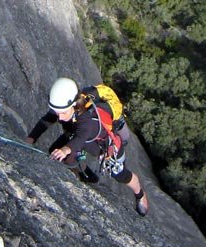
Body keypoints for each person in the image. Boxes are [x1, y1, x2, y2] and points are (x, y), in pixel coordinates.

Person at [25, 77, 149, 216]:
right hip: (81, 138)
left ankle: (140, 195)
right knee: (61, 155)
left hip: (103, 143)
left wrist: (66, 149)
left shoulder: (89, 120)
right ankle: (88, 176)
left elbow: (80, 137)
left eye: (63, 113)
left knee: (119, 174)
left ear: (74, 105)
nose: (59, 118)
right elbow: (47, 120)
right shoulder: (65, 105)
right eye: (57, 113)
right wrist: (31, 139)